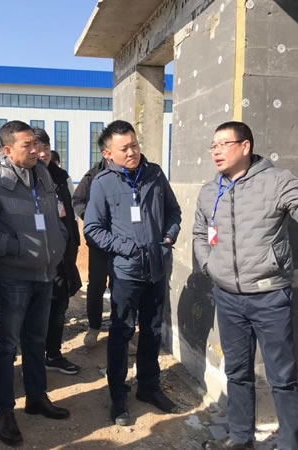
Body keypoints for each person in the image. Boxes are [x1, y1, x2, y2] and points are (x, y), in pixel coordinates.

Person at [195, 121, 298, 450]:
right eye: (213, 146)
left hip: (269, 296)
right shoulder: (210, 191)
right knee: (237, 373)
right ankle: (241, 438)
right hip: (227, 297)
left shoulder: (277, 181)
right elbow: (200, 234)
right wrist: (210, 267)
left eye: (224, 144)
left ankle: (291, 444)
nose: (217, 151)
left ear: (245, 146)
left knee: (282, 376)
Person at [0, 120, 70, 447]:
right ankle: (4, 410)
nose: (36, 150)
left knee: (36, 341)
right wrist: (16, 248)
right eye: (28, 145)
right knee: (7, 345)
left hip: (45, 274)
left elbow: (55, 217)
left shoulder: (43, 175)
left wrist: (58, 243)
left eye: (36, 144)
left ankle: (36, 397)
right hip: (14, 278)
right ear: (8, 150)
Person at [83, 120, 182, 426]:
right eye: (124, 148)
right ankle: (118, 394)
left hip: (156, 269)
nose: (132, 152)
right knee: (122, 332)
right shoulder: (102, 183)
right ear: (108, 153)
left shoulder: (154, 174)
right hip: (126, 272)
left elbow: (173, 211)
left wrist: (168, 238)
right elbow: (92, 229)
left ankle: (149, 387)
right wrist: (126, 248)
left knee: (152, 330)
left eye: (134, 145)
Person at [34, 128, 82, 375]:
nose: (42, 153)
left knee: (59, 307)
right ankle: (32, 359)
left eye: (46, 147)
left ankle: (53, 354)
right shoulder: (23, 177)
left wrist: (72, 246)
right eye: (37, 148)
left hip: (62, 256)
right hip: (34, 258)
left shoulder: (61, 177)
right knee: (35, 311)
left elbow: (70, 215)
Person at [72, 134, 112, 348]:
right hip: (100, 242)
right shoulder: (93, 175)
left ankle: (120, 328)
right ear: (106, 153)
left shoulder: (133, 174)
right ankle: (94, 327)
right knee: (96, 285)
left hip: (125, 242)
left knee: (122, 286)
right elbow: (78, 200)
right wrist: (92, 219)